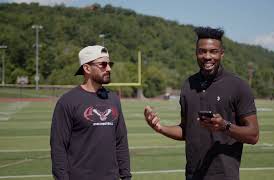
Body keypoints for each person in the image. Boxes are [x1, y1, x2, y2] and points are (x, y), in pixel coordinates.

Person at [144, 27, 259, 180]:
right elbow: (186, 131)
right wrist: (160, 128)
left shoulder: (238, 86)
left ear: (222, 54)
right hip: (193, 175)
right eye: (202, 51)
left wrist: (224, 126)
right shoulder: (188, 85)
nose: (207, 56)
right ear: (196, 53)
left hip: (224, 176)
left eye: (213, 51)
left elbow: (253, 135)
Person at [50, 45, 131, 180]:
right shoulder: (67, 101)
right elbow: (58, 147)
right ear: (87, 68)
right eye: (103, 64)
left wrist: (126, 176)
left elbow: (121, 142)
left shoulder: (114, 99)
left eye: (109, 64)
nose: (109, 68)